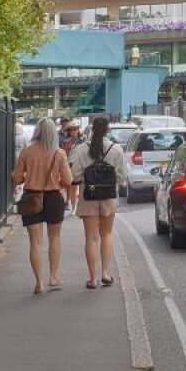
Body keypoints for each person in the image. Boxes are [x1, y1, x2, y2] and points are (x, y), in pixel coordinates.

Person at [12, 118, 73, 295]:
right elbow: (68, 180)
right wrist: (57, 182)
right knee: (54, 238)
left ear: (37, 131)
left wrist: (27, 177)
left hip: (32, 197)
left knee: (35, 243)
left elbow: (17, 178)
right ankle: (53, 277)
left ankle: (39, 283)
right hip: (54, 198)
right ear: (54, 133)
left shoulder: (27, 152)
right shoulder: (59, 153)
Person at [71, 117, 128, 289]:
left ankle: (93, 279)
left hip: (88, 197)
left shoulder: (81, 149)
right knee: (107, 235)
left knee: (91, 238)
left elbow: (75, 176)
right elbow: (122, 178)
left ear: (92, 130)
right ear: (108, 130)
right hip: (108, 198)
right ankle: (105, 273)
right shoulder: (116, 149)